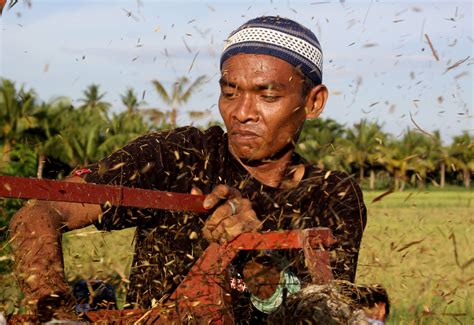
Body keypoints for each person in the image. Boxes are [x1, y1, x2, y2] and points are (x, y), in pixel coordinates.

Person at [9, 16, 367, 323]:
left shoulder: (332, 195)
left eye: (267, 96)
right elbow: (40, 211)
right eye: (230, 92)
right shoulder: (176, 157)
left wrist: (252, 253)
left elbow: (320, 312)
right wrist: (56, 312)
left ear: (313, 101)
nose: (242, 112)